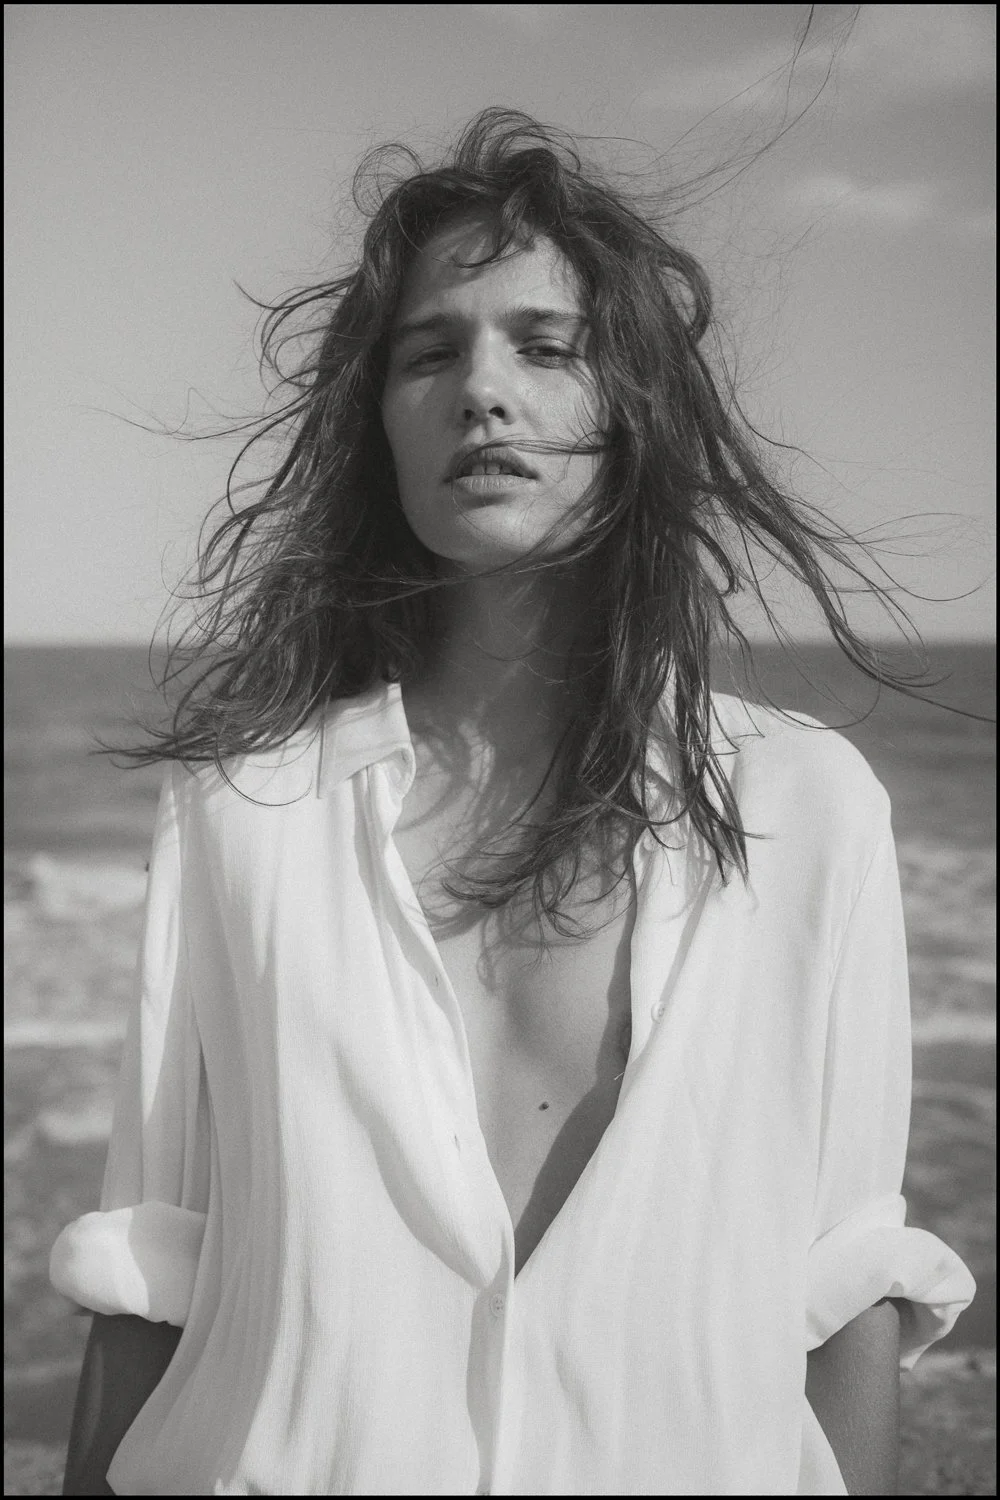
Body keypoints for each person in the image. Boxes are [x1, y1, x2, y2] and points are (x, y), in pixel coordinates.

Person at [51, 108, 976, 1497]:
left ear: (632, 407)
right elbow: (152, 1264)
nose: (483, 390)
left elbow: (844, 1285)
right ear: (379, 421)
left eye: (547, 347)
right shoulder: (243, 811)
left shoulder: (806, 807)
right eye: (431, 353)